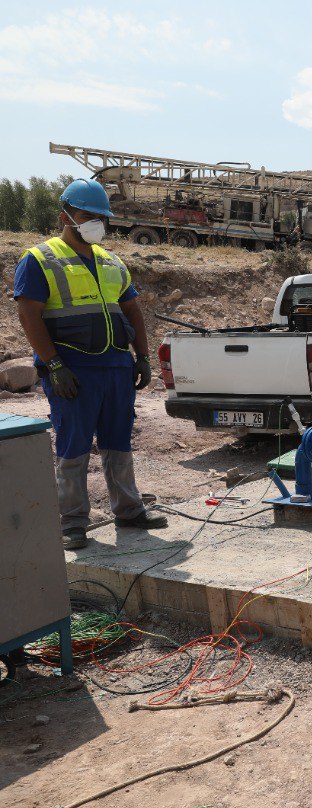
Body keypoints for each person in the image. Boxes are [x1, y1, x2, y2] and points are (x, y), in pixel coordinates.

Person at [11, 178, 168, 549]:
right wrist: (53, 366)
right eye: (87, 216)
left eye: (101, 217)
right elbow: (29, 316)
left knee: (118, 443)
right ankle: (72, 523)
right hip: (72, 371)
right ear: (65, 215)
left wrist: (142, 356)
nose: (96, 223)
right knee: (73, 445)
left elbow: (132, 310)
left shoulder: (111, 261)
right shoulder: (38, 259)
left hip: (115, 368)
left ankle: (129, 511)